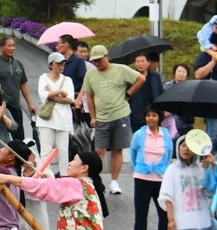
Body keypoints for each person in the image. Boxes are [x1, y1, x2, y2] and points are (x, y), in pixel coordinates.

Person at [84, 45, 143, 196]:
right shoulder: (91, 75)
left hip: (120, 114)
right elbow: (89, 97)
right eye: (94, 61)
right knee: (99, 150)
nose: (97, 63)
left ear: (106, 56)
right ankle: (96, 180)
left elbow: (140, 78)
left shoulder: (121, 69)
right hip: (102, 117)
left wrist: (129, 93)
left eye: (99, 60)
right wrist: (93, 117)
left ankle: (114, 181)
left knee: (117, 149)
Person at [130, 109, 173, 230]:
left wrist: (164, 170)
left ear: (159, 118)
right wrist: (138, 167)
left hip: (161, 177)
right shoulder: (139, 134)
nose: (151, 118)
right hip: (142, 176)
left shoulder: (165, 134)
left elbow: (169, 153)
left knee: (163, 209)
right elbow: (133, 151)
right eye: (148, 115)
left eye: (154, 115)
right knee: (141, 210)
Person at [0, 37, 33, 144]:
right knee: (0, 136)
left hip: (15, 106)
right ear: (1, 48)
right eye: (9, 45)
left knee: (19, 138)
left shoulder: (18, 64)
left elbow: (23, 84)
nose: (12, 48)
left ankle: (19, 159)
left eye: (14, 46)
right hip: (0, 106)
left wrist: (29, 104)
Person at [36, 52, 76, 174]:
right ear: (51, 64)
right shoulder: (43, 78)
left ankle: (64, 176)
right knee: (46, 151)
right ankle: (45, 175)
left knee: (63, 151)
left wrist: (51, 94)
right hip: (47, 120)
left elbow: (70, 99)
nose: (61, 66)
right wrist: (59, 92)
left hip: (63, 120)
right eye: (58, 63)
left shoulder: (67, 80)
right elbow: (42, 95)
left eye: (63, 63)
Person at [127, 53, 165, 139]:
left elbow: (160, 92)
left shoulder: (155, 76)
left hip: (154, 112)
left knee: (154, 138)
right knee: (140, 138)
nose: (140, 64)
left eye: (142, 61)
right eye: (138, 62)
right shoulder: (130, 77)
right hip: (137, 114)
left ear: (148, 63)